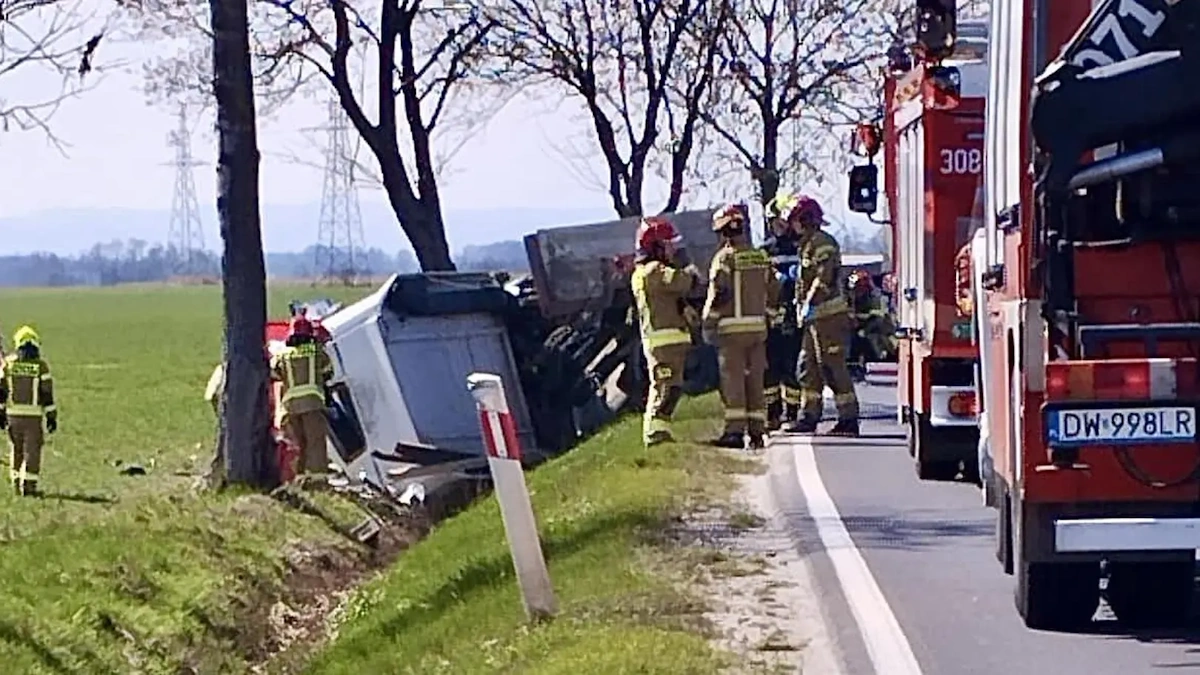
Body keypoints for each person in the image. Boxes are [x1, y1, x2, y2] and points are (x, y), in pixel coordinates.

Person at [781, 195, 861, 436]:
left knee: (832, 367)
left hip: (829, 317)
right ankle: (809, 416)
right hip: (813, 320)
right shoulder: (807, 244)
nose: (791, 226)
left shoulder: (823, 242)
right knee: (808, 368)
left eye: (794, 220)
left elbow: (824, 277)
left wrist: (809, 302)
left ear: (804, 219)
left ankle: (848, 419)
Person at [703, 204, 779, 449]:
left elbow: (719, 293)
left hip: (731, 332)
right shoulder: (760, 257)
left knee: (733, 381)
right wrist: (767, 315)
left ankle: (734, 433)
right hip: (758, 330)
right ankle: (757, 431)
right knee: (755, 380)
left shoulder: (725, 258)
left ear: (724, 232)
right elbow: (773, 289)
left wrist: (709, 323)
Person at [631, 216, 701, 447]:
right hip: (663, 344)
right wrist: (689, 269)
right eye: (668, 243)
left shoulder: (646, 272)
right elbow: (684, 282)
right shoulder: (654, 271)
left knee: (671, 387)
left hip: (666, 343)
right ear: (656, 246)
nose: (673, 248)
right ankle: (655, 435)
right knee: (665, 388)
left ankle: (660, 432)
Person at [270, 313, 335, 479]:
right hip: (312, 404)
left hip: (290, 407)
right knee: (316, 443)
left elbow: (274, 374)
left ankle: (297, 478)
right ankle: (317, 480)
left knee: (299, 445)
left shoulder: (283, 355)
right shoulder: (316, 352)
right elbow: (328, 372)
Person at [761, 195, 804, 431]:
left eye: (780, 221)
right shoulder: (765, 251)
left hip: (794, 317)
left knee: (792, 367)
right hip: (769, 320)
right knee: (769, 368)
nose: (776, 227)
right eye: (773, 222)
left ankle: (793, 412)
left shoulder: (801, 248)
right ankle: (772, 413)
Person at [0, 325, 57, 496]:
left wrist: (1, 412)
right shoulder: (41, 367)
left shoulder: (8, 365)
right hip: (33, 417)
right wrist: (51, 416)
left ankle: (16, 482)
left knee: (16, 450)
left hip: (13, 416)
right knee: (32, 451)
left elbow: (1, 392)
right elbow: (47, 394)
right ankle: (29, 486)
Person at [848, 268, 898, 364]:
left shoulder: (878, 294)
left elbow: (881, 315)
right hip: (865, 332)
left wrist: (865, 327)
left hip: (883, 329)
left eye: (862, 283)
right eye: (857, 285)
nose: (860, 288)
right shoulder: (854, 298)